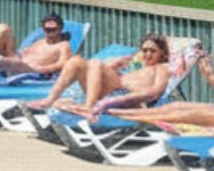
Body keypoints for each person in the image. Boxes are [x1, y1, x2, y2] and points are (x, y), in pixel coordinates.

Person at [105, 34, 214, 135]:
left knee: (181, 116)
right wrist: (208, 74)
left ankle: (127, 116)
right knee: (175, 106)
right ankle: (127, 114)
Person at [25, 33, 172, 114]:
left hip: (125, 98)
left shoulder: (162, 68)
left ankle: (89, 106)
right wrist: (112, 66)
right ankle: (49, 100)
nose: (147, 54)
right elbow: (94, 72)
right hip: (111, 91)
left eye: (152, 51)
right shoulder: (139, 68)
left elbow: (155, 92)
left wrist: (116, 100)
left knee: (96, 63)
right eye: (144, 50)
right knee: (75, 60)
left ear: (163, 54)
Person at [0, 13, 74, 86]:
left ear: (61, 28)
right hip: (16, 62)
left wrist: (38, 69)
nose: (50, 33)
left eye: (53, 30)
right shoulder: (40, 41)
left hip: (32, 71)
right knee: (2, 28)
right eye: (47, 30)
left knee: (5, 62)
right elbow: (22, 53)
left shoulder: (63, 45)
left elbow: (62, 64)